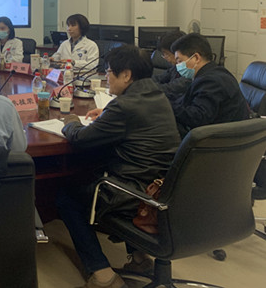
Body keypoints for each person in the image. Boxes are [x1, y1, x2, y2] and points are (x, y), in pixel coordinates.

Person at [57, 45, 180, 288]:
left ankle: (102, 274)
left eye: (109, 72)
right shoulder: (157, 96)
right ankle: (140, 258)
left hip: (134, 195)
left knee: (66, 198)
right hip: (161, 189)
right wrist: (107, 114)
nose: (106, 77)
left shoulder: (124, 106)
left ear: (126, 75)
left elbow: (80, 139)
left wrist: (70, 121)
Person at [170, 33, 251, 137]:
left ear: (196, 58)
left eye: (179, 61)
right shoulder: (214, 72)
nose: (177, 66)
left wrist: (167, 106)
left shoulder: (211, 81)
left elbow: (198, 118)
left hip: (221, 141)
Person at [152, 30, 191, 103]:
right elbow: (159, 78)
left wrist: (145, 87)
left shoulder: (190, 72)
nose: (165, 58)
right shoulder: (175, 67)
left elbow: (170, 88)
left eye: (167, 54)